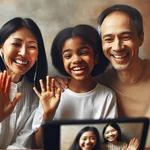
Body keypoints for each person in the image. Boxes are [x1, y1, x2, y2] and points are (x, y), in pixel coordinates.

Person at [54, 4, 150, 147]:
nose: (117, 47)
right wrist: (58, 81)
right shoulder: (100, 84)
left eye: (125, 37)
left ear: (140, 38)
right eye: (109, 39)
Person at [33, 24, 118, 147]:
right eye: (68, 55)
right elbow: (39, 143)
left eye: (83, 52)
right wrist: (48, 113)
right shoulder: (51, 93)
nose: (76, 60)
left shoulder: (107, 96)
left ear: (96, 57)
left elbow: (108, 139)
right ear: (61, 61)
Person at [0, 17, 48, 149]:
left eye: (32, 46)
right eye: (16, 44)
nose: (23, 53)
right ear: (1, 47)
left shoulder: (36, 91)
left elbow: (24, 143)